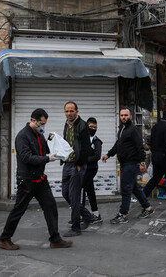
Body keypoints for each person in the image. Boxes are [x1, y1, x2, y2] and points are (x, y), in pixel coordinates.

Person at [0, 108, 72, 250]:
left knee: (50, 206)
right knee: (19, 209)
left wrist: (53, 142)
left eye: (44, 124)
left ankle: (55, 239)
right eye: (41, 124)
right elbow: (27, 157)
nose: (42, 126)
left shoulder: (39, 135)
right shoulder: (22, 136)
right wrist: (48, 158)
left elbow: (45, 150)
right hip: (26, 180)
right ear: (33, 120)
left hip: (40, 179)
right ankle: (4, 239)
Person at [102, 107, 154, 224]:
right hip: (125, 163)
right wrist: (108, 155)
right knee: (134, 188)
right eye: (122, 115)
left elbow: (139, 147)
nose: (123, 117)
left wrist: (141, 163)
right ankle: (147, 208)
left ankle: (123, 214)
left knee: (125, 189)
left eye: (126, 115)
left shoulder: (133, 129)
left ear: (130, 116)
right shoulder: (122, 129)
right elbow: (118, 145)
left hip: (131, 163)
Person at [60, 101, 94, 237]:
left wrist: (80, 163)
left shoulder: (82, 125)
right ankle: (87, 216)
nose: (69, 113)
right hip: (67, 164)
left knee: (74, 197)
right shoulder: (66, 125)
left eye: (71, 111)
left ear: (77, 112)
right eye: (67, 111)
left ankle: (76, 228)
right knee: (65, 193)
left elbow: (86, 147)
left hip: (76, 165)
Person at [143, 109, 166, 207]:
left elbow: (150, 141)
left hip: (155, 156)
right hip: (165, 157)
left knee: (156, 178)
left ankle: (143, 195)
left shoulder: (155, 126)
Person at [82, 117, 102, 222]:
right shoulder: (83, 139)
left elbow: (97, 156)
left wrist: (84, 160)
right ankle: (95, 213)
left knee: (82, 189)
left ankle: (82, 214)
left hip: (91, 169)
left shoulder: (97, 141)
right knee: (90, 191)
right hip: (84, 169)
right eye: (91, 127)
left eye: (95, 127)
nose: (93, 129)